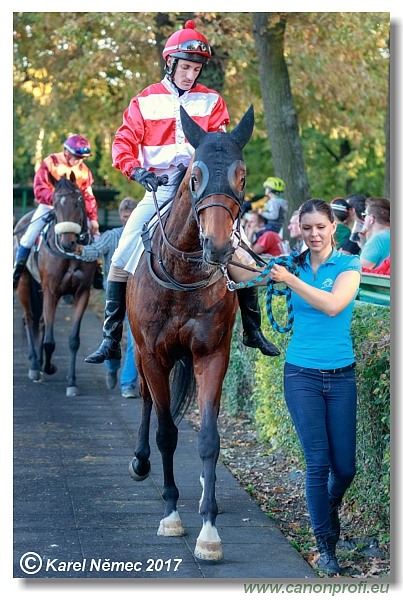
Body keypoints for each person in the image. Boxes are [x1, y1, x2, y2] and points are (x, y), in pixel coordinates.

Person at [84, 20, 280, 365]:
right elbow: (122, 143)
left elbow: (221, 147)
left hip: (202, 191)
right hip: (159, 190)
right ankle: (110, 338)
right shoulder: (144, 100)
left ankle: (253, 329)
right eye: (185, 67)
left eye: (196, 68)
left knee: (239, 254)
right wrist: (137, 170)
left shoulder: (212, 101)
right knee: (122, 254)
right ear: (170, 63)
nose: (191, 74)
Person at [231, 198, 361, 575]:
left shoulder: (348, 265)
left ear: (333, 226)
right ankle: (325, 545)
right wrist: (226, 247)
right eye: (307, 229)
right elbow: (246, 273)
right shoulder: (291, 264)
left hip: (341, 376)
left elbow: (335, 305)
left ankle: (326, 507)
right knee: (318, 464)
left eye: (321, 226)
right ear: (299, 230)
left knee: (346, 469)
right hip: (301, 374)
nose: (315, 234)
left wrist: (291, 281)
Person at [13, 135, 100, 289]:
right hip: (50, 205)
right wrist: (56, 201)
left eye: (83, 158)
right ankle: (17, 271)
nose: (80, 160)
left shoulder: (84, 171)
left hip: (74, 209)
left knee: (96, 237)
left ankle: (98, 273)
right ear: (66, 151)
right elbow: (39, 187)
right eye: (77, 157)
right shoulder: (49, 162)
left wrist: (93, 217)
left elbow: (88, 195)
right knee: (29, 236)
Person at [75, 198, 139, 398]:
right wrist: (78, 249)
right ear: (121, 216)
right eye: (125, 216)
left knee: (136, 340)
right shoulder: (112, 236)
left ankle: (128, 383)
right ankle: (112, 368)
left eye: (131, 216)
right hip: (114, 294)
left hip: (138, 294)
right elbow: (92, 252)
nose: (128, 220)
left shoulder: (144, 235)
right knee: (113, 336)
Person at [359, 197, 390, 269]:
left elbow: (358, 270)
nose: (364, 218)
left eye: (365, 215)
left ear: (371, 219)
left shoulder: (377, 240)